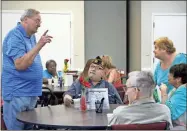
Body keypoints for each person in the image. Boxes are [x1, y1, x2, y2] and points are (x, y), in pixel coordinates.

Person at [2, 9, 53, 130]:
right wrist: (39, 45)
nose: (39, 24)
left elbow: (31, 58)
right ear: (26, 20)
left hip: (30, 93)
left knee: (29, 128)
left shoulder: (31, 36)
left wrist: (38, 44)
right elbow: (20, 65)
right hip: (17, 93)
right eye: (37, 21)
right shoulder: (14, 36)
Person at [108, 71, 173, 129]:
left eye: (127, 88)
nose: (126, 93)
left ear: (136, 91)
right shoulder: (165, 111)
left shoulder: (120, 114)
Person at [153, 37, 186, 102]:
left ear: (164, 49)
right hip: (166, 103)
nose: (153, 51)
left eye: (156, 48)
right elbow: (152, 85)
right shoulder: (158, 65)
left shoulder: (183, 59)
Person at [160, 63, 186, 130]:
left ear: (178, 79)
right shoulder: (175, 89)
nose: (168, 76)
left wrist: (164, 93)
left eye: (170, 74)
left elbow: (169, 113)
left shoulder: (182, 92)